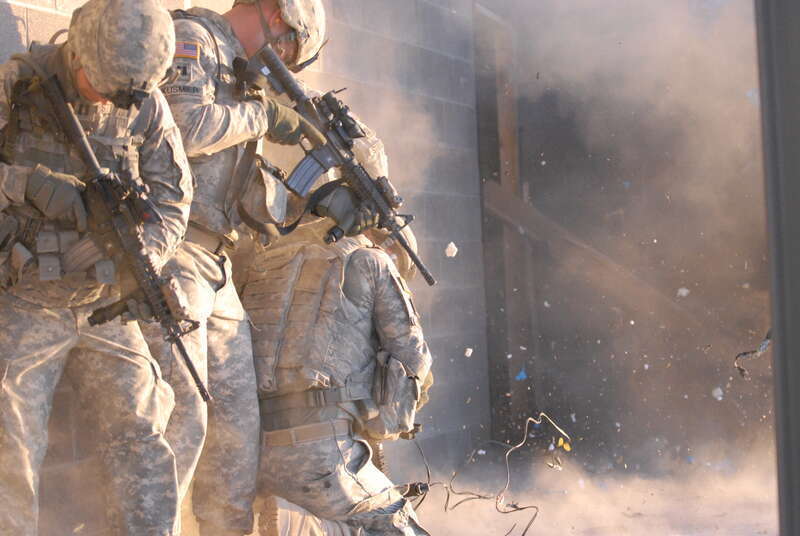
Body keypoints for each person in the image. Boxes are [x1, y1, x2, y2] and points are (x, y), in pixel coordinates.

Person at [155, 1, 371, 534]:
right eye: (293, 48)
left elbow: (243, 193)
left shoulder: (241, 76)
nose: (287, 63)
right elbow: (184, 126)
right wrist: (265, 116)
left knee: (236, 434)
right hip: (173, 252)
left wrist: (319, 208)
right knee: (181, 424)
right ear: (278, 17)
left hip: (215, 265)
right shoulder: (194, 39)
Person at [0, 0, 192, 534]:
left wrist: (142, 257)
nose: (106, 99)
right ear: (78, 50)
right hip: (27, 300)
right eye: (98, 85)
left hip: (105, 302)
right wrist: (28, 185)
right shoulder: (18, 85)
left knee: (145, 428)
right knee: (11, 443)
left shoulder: (145, 103)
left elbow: (174, 201)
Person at [239, 217, 434, 536]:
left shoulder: (273, 258)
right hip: (318, 456)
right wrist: (385, 421)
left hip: (246, 454)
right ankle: (308, 529)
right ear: (389, 246)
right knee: (399, 526)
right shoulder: (373, 260)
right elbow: (411, 356)